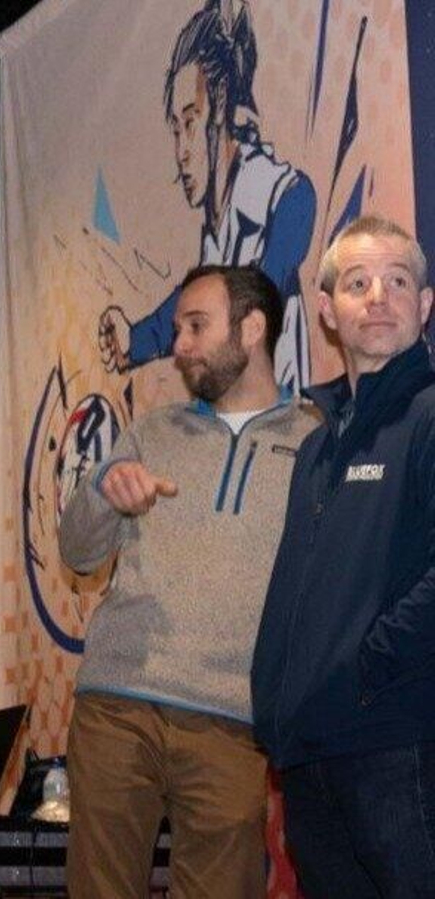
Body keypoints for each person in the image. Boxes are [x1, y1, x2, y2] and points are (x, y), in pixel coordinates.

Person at [61, 265, 318, 897]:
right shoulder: (151, 431)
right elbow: (78, 551)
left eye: (196, 326)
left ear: (252, 327)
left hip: (235, 716)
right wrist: (103, 494)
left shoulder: (316, 441)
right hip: (118, 700)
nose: (178, 345)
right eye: (177, 328)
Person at [252, 214, 435, 896]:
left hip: (399, 741)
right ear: (327, 311)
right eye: (358, 283)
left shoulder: (429, 416)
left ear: (424, 305)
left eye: (397, 280)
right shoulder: (314, 450)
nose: (378, 296)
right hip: (309, 756)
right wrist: (275, 702)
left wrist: (369, 664)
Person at [98, 0, 316, 395]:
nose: (181, 149)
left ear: (217, 104)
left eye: (189, 122)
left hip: (283, 432)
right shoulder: (219, 221)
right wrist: (136, 340)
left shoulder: (274, 192)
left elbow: (299, 201)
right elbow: (193, 304)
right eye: (174, 130)